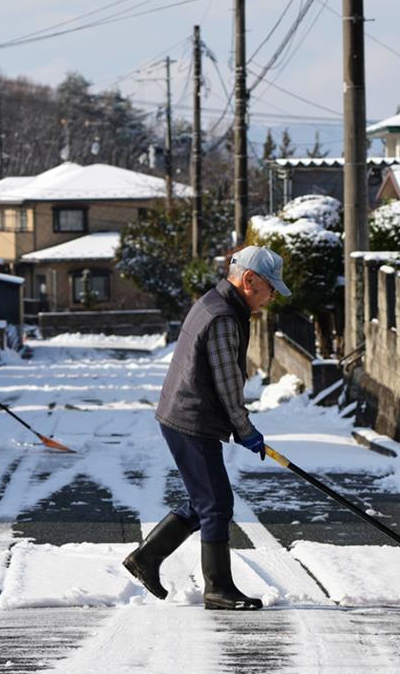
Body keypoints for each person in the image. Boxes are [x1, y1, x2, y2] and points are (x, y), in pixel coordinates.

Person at [124, 245, 290, 610]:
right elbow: (227, 384)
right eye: (270, 287)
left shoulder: (218, 303)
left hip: (184, 415)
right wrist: (245, 429)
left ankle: (147, 558)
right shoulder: (224, 317)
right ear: (249, 280)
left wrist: (243, 428)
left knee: (207, 499)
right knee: (216, 504)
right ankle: (217, 588)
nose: (273, 295)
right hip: (191, 419)